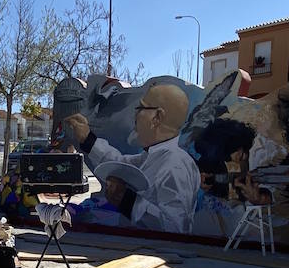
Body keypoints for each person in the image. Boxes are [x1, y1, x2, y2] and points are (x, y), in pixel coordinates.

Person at [62, 84, 200, 233]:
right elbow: (119, 164)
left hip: (151, 254)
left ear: (157, 117)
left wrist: (128, 201)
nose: (135, 116)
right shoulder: (155, 156)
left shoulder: (175, 165)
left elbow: (176, 229)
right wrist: (88, 139)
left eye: (141, 108)